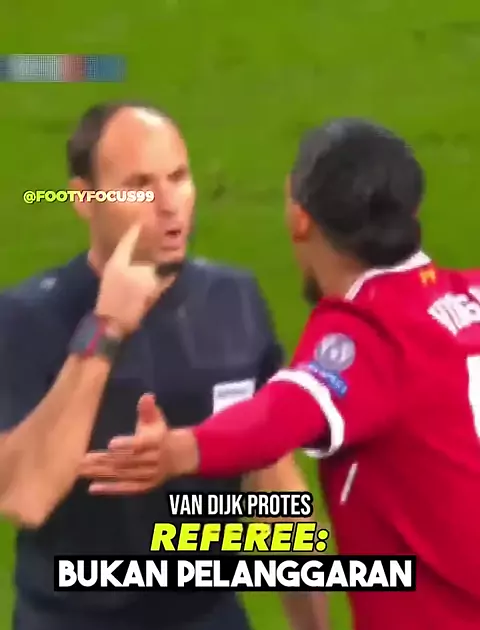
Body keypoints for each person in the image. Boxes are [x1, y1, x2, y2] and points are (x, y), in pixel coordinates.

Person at [83, 118, 480, 630]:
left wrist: (181, 450)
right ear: (412, 210)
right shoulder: (470, 293)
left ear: (300, 219)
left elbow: (283, 415)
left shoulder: (370, 332)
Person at [0, 102, 328, 630]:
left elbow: (271, 477)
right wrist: (106, 328)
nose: (169, 203)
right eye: (139, 186)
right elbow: (26, 495)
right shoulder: (29, 316)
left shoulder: (233, 299)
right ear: (85, 198)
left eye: (178, 177)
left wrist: (312, 625)